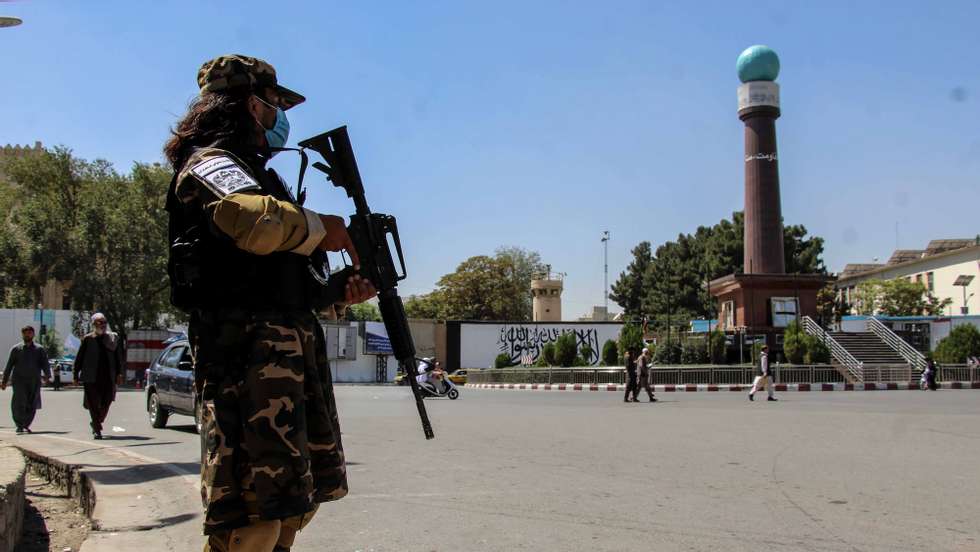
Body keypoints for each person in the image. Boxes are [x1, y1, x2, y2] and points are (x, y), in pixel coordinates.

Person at [164, 54, 376, 551]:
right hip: (243, 361)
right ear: (246, 104)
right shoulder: (210, 162)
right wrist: (324, 228)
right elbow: (251, 222)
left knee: (290, 509)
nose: (281, 117)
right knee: (249, 519)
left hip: (286, 357)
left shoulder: (266, 178)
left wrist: (336, 293)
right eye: (274, 104)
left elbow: (278, 273)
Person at [73, 313, 126, 439]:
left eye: (103, 322)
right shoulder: (88, 339)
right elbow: (79, 358)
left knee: (107, 401)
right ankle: (97, 429)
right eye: (98, 322)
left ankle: (96, 422)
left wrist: (119, 373)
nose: (101, 325)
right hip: (91, 377)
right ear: (93, 324)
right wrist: (75, 375)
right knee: (93, 403)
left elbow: (118, 358)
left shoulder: (112, 339)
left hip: (108, 377)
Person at [2, 326, 50, 433]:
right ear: (22, 334)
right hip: (19, 381)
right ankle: (19, 424)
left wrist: (47, 376)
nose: (27, 335)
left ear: (33, 334)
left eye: (30, 333)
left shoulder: (39, 349)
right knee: (19, 402)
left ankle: (26, 424)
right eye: (25, 333)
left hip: (34, 381)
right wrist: (4, 381)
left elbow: (45, 364)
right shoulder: (16, 349)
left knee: (32, 402)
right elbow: (9, 366)